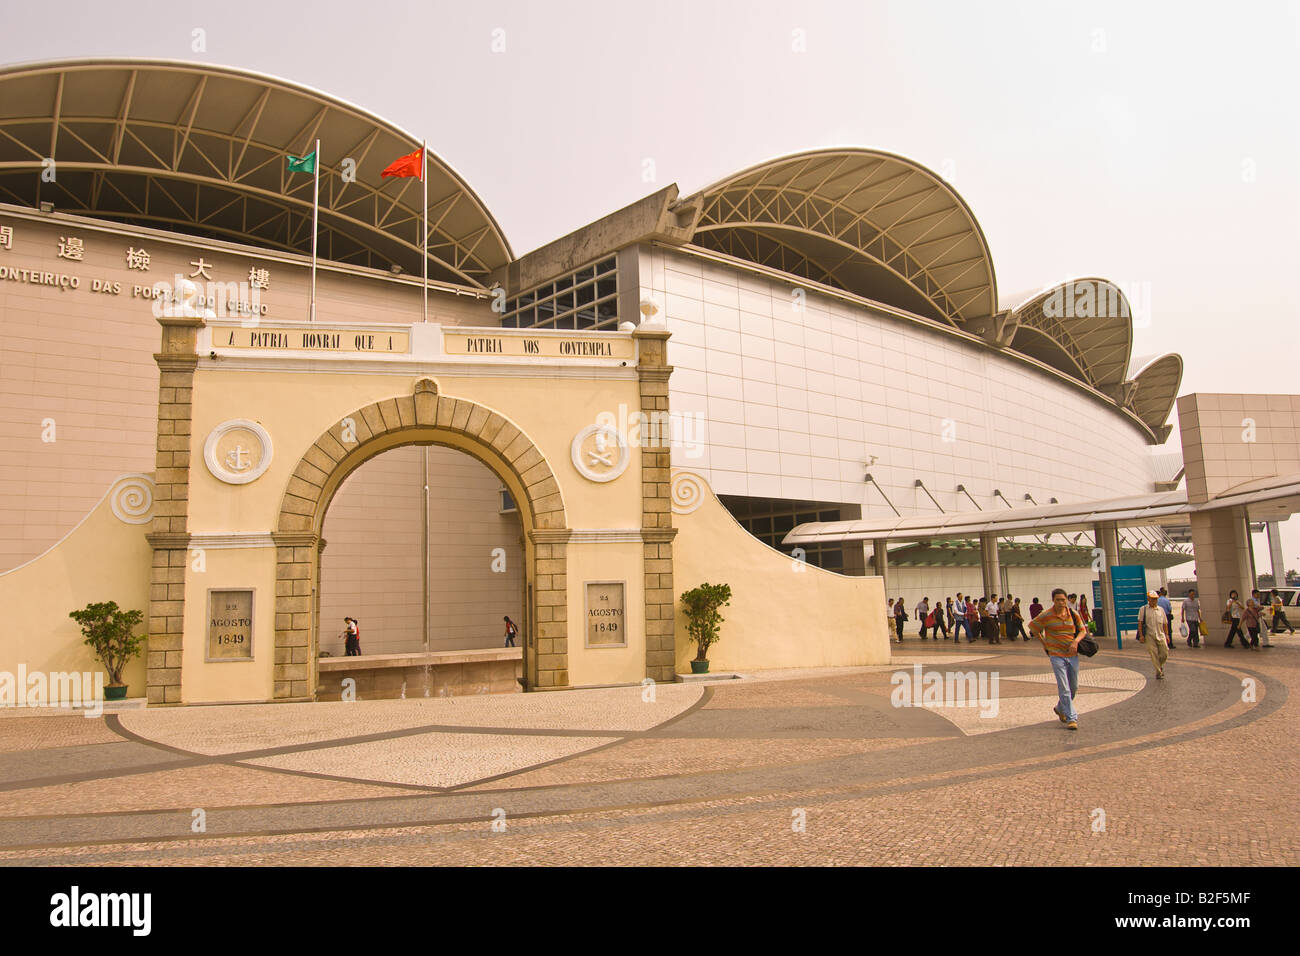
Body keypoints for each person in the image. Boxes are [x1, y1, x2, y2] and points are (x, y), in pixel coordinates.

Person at [1029, 587, 1087, 730]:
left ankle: (1060, 708)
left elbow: (1083, 630)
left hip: (1072, 655)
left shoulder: (1073, 614)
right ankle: (1071, 718)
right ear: (1053, 601)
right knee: (1064, 687)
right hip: (1056, 655)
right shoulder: (1046, 615)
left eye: (1063, 599)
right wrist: (1045, 644)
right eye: (1058, 600)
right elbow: (1033, 628)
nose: (1061, 603)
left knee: (1073, 687)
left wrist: (1076, 642)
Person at [1136, 591, 1170, 679]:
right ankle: (1158, 672)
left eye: (1155, 599)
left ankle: (1159, 665)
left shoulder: (1161, 610)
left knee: (1164, 653)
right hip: (1149, 635)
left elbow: (1165, 623)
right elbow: (1140, 623)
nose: (1154, 601)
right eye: (1152, 599)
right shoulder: (1143, 609)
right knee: (1153, 653)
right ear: (1148, 599)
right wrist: (1141, 635)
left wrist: (1167, 635)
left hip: (1160, 634)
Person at [1157, 588, 1174, 655]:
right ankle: (1169, 643)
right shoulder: (1167, 600)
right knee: (1168, 630)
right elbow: (1169, 609)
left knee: (1160, 631)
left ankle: (1161, 644)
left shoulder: (1157, 600)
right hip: (1166, 616)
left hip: (1158, 616)